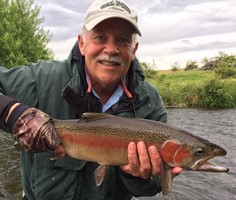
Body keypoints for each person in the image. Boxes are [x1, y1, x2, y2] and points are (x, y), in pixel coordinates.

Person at [0, 0, 182, 199]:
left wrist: (137, 176)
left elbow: (152, 187)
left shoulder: (149, 102)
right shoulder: (41, 80)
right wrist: (13, 113)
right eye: (100, 37)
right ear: (82, 44)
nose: (111, 49)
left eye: (122, 40)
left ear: (134, 49)